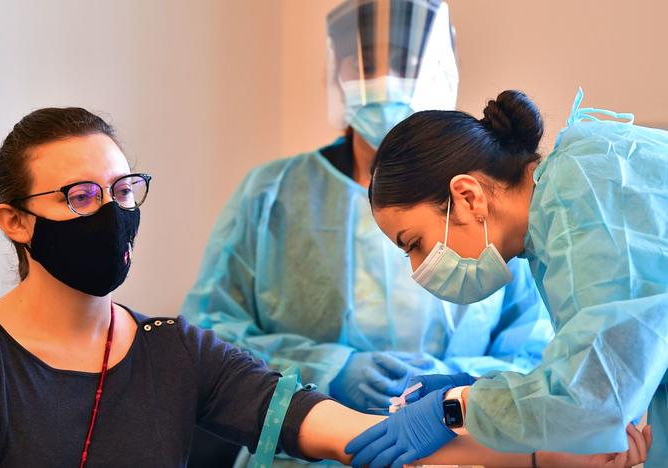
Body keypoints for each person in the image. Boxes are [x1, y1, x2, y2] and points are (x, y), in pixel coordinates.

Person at [0, 106, 644, 468]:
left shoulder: (175, 352)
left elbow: (344, 432)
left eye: (123, 190)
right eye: (81, 195)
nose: (111, 212)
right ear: (15, 221)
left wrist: (531, 448)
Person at [182, 2, 552, 463]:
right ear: (340, 70)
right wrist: (329, 369)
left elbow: (542, 354)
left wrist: (456, 388)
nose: (386, 79)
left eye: (404, 60)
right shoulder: (272, 194)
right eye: (369, 62)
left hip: (454, 451)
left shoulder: (486, 203)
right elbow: (207, 340)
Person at [345, 88, 668, 467]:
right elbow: (603, 374)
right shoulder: (560, 215)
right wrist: (482, 392)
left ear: (467, 197)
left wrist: (455, 408)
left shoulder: (581, 199)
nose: (418, 268)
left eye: (414, 243)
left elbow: (595, 398)